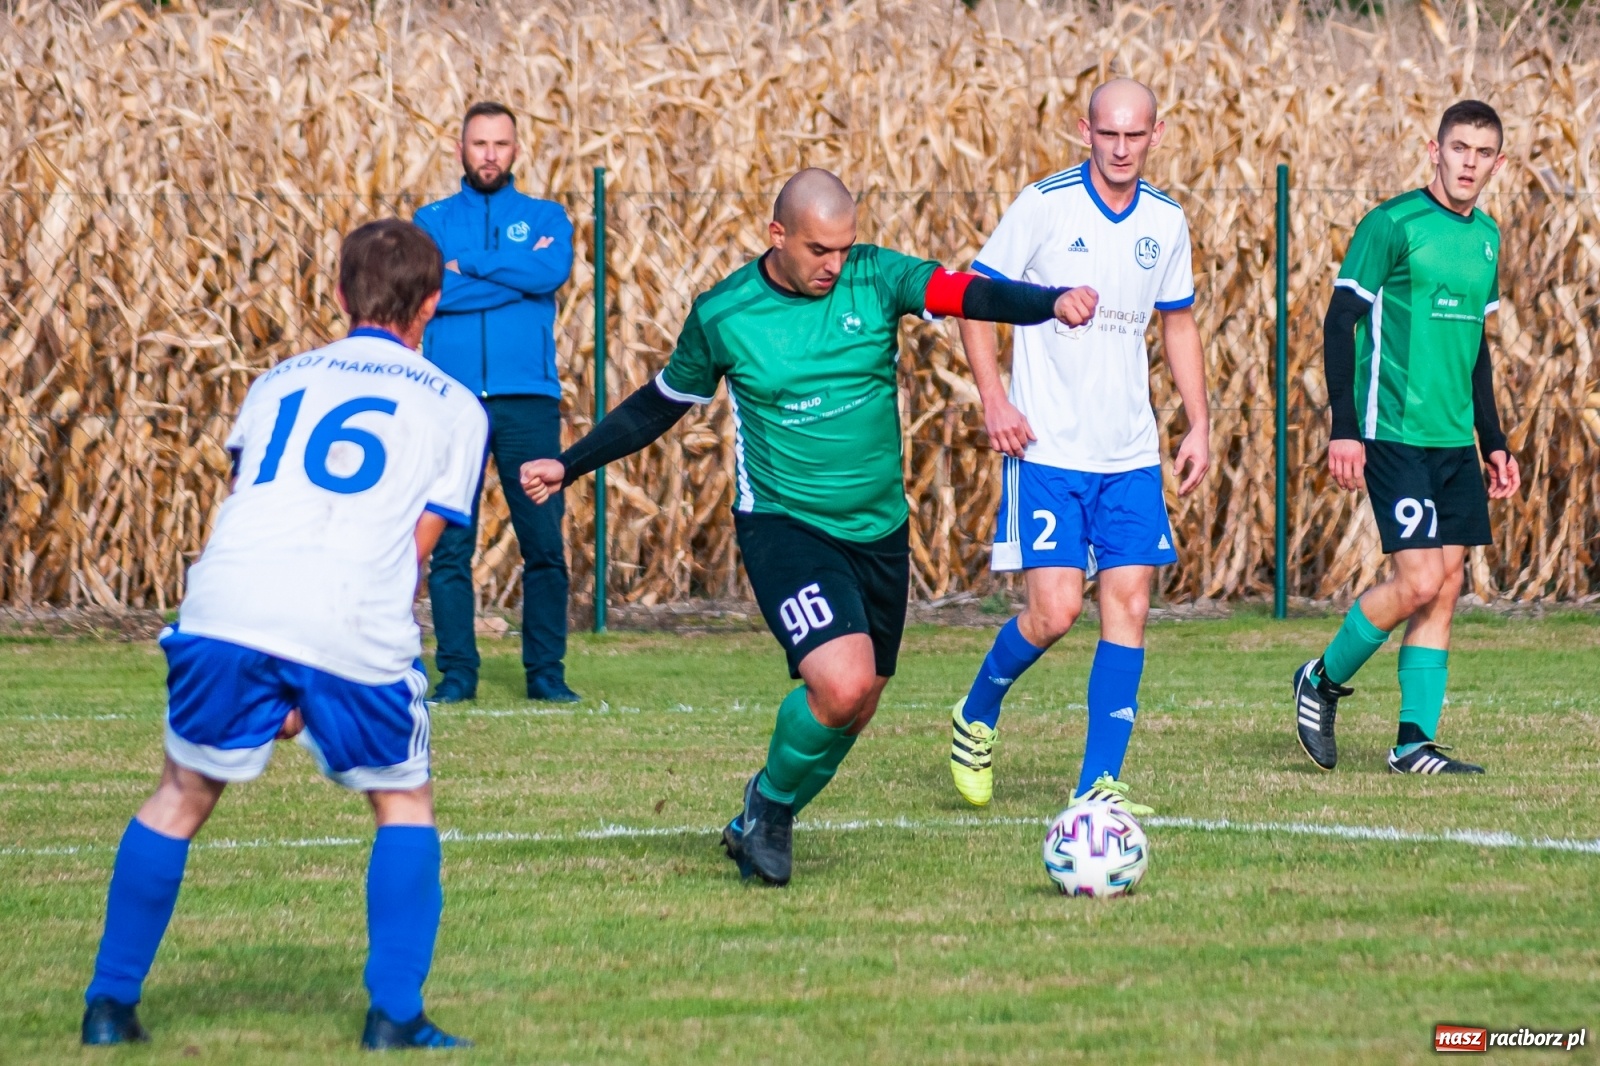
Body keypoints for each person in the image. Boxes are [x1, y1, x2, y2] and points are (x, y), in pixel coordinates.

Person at [520, 168, 1099, 886]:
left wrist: (1050, 304)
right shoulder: (726, 314)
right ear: (778, 236)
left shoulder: (874, 276)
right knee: (842, 680)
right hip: (784, 525)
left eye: (844, 247)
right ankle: (768, 805)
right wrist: (569, 465)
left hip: (879, 529)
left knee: (858, 706)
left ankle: (765, 814)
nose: (834, 264)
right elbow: (658, 405)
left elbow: (962, 291)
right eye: (819, 249)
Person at [80, 220, 486, 1049]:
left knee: (180, 796)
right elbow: (412, 550)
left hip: (227, 602)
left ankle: (108, 1008)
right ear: (434, 306)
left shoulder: (276, 381)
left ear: (337, 295)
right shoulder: (457, 406)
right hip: (347, 611)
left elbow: (244, 501)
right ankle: (394, 1017)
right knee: (403, 801)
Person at [948, 79, 1210, 813]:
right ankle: (977, 712)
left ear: (1156, 135)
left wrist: (1199, 421)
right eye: (1108, 134)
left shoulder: (1167, 220)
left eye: (1135, 135)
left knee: (1128, 607)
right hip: (1048, 449)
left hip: (1129, 452)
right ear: (1083, 131)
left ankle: (1098, 786)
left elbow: (1178, 323)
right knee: (1056, 613)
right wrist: (995, 399)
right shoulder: (1045, 204)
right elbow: (972, 296)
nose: (1121, 148)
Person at [1292, 100, 1519, 775]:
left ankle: (1413, 743)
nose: (1469, 163)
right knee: (1418, 580)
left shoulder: (1488, 238)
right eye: (1459, 148)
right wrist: (1344, 428)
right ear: (1434, 150)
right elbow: (1340, 323)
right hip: (1392, 433)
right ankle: (1322, 679)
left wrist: (1495, 440)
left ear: (1497, 163)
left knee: (1446, 587)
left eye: (1482, 152)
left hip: (1454, 443)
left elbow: (1476, 350)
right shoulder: (1390, 225)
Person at [414, 101, 577, 704]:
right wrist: (511, 272)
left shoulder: (546, 216)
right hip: (450, 401)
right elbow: (432, 293)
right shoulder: (429, 219)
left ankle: (547, 677)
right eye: (478, 143)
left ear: (515, 151)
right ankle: (457, 676)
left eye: (500, 144)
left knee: (543, 543)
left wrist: (473, 265)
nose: (489, 154)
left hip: (527, 400)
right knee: (451, 545)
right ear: (460, 149)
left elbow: (549, 272)